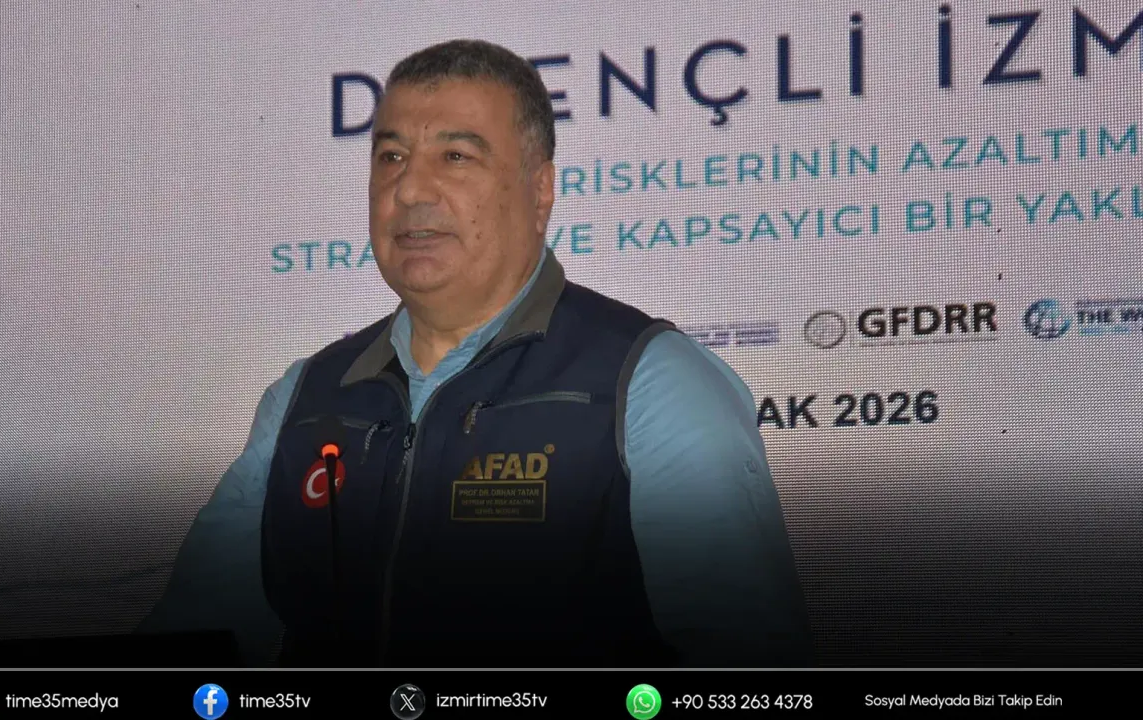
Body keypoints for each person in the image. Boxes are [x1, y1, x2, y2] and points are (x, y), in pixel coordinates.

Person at [137, 38, 813, 668]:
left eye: (455, 157)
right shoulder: (305, 398)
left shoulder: (649, 384)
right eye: (391, 157)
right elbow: (196, 639)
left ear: (540, 190)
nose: (409, 190)